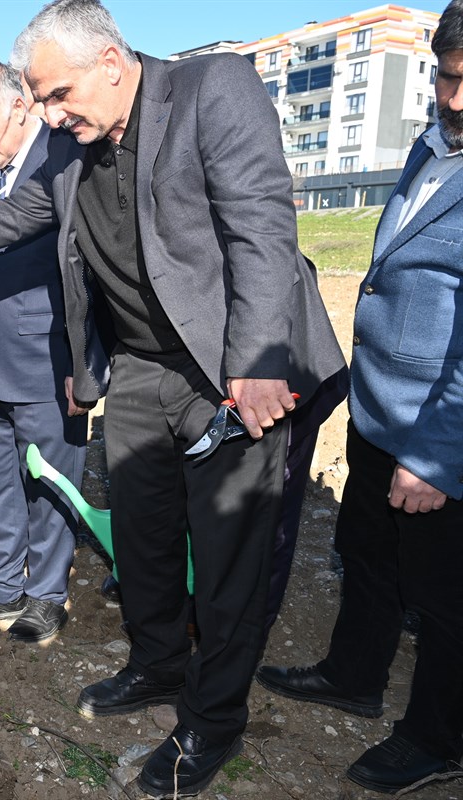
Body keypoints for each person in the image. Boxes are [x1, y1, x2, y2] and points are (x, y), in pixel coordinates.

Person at [0, 0, 344, 794]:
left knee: (228, 552)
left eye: (57, 94)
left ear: (111, 62)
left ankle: (213, 720)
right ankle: (158, 665)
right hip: (144, 364)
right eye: (39, 100)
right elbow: (8, 218)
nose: (49, 115)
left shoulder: (211, 89)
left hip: (229, 364)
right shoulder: (69, 148)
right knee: (144, 535)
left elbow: (261, 223)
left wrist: (259, 359)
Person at [255, 2, 463, 792]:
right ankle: (354, 674)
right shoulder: (430, 146)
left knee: (443, 596)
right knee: (367, 553)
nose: (454, 98)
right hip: (383, 409)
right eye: (446, 77)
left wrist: (437, 457)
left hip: (439, 428)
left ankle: (439, 737)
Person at [0, 61, 87, 642]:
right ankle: (4, 583)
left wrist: (86, 364)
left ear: (20, 106)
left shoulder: (65, 160)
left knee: (51, 484)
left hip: (46, 360)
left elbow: (87, 270)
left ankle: (47, 594)